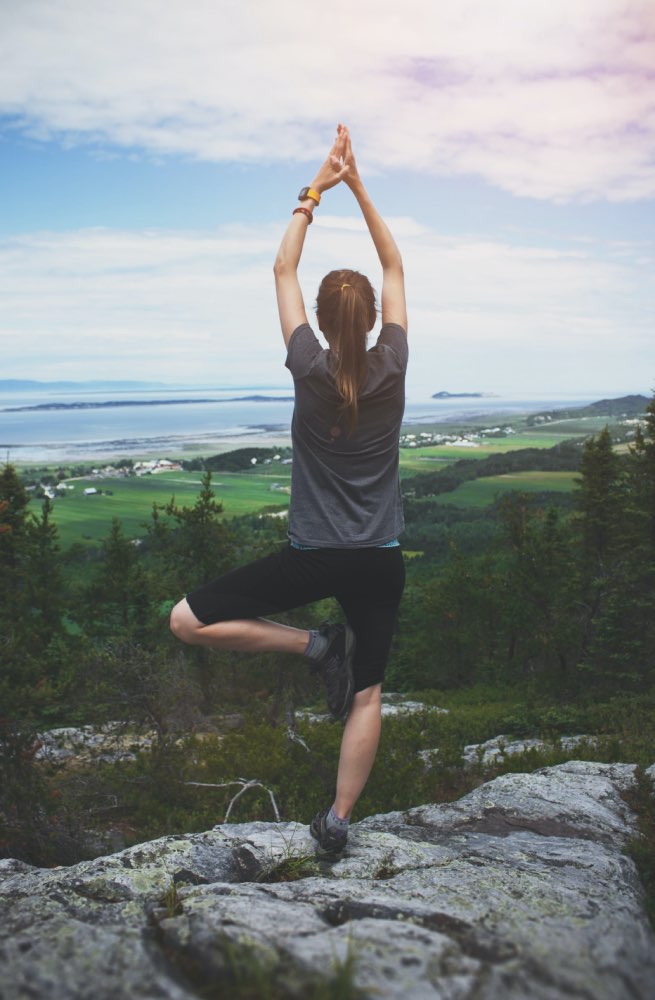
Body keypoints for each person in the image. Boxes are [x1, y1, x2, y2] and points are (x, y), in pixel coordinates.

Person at [170, 124, 408, 857]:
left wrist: (317, 187)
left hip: (311, 555)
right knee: (366, 693)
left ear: (324, 322)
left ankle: (311, 646)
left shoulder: (306, 364)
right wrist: (360, 183)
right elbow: (394, 262)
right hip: (377, 557)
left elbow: (281, 268)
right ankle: (336, 823)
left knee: (186, 620)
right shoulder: (393, 362)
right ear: (369, 321)